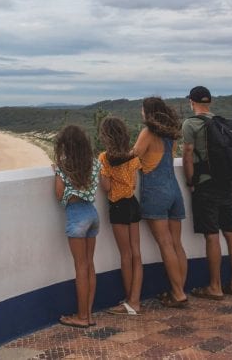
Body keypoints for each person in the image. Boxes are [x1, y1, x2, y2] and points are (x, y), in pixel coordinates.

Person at [182, 85, 232, 300]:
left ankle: (215, 286)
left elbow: (188, 155)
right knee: (231, 232)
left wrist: (190, 181)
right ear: (209, 102)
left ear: (191, 102)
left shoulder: (191, 124)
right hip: (226, 183)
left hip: (206, 184)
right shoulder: (221, 123)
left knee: (212, 236)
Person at [132, 96, 188, 308]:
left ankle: (178, 293)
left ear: (148, 112)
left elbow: (133, 155)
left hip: (155, 191)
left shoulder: (148, 133)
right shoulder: (171, 135)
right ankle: (179, 290)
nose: (141, 112)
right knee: (176, 243)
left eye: (142, 109)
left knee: (165, 244)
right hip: (174, 189)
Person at [51, 124, 101, 328]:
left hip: (76, 216)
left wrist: (56, 173)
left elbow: (59, 194)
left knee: (80, 267)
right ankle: (88, 315)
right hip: (92, 213)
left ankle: (81, 317)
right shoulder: (95, 163)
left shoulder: (64, 167)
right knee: (89, 264)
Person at [98, 116, 143, 316]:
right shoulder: (132, 157)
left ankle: (130, 302)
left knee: (125, 255)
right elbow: (133, 184)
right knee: (136, 254)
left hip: (118, 206)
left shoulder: (105, 158)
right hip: (133, 204)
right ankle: (136, 299)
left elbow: (106, 187)